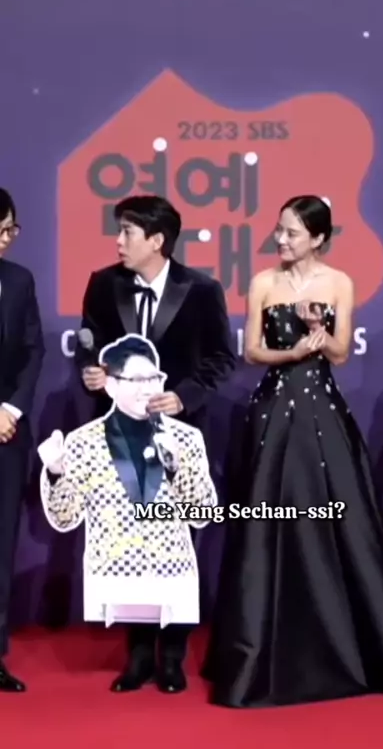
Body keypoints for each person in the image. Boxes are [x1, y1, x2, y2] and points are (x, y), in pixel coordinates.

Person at [202, 194, 383, 708]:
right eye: (279, 230)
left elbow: (341, 352)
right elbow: (252, 351)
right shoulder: (264, 282)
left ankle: (358, 651)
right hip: (273, 410)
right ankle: (256, 654)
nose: (281, 240)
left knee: (344, 521)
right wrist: (290, 352)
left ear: (319, 238)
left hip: (322, 412)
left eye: (292, 233)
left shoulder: (339, 283)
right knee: (266, 523)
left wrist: (317, 332)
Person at [75, 195, 236, 692]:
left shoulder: (201, 290)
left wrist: (183, 396)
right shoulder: (104, 284)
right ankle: (139, 654)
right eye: (119, 231)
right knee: (131, 538)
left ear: (157, 240)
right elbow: (90, 346)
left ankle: (173, 656)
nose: (119, 241)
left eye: (128, 232)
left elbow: (221, 358)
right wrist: (93, 375)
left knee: (177, 540)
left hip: (179, 434)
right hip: (121, 433)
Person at [39, 334, 217, 692]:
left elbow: (202, 513)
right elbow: (65, 517)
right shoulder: (84, 442)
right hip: (118, 563)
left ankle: (172, 660)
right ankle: (139, 659)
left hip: (171, 561)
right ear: (110, 385)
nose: (148, 388)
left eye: (154, 378)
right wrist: (56, 472)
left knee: (175, 591)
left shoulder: (185, 438)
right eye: (137, 380)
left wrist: (176, 468)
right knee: (135, 592)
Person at [0, 188, 45, 692]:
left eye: (10, 230)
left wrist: (10, 409)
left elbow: (33, 351)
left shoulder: (18, 280)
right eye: (0, 230)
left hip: (6, 432)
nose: (7, 239)